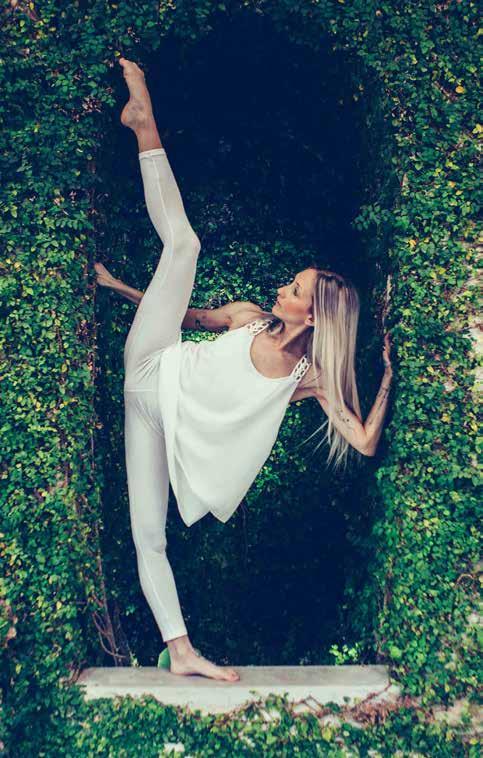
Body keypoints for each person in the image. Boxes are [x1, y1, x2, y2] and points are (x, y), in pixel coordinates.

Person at [95, 57, 393, 682]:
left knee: (150, 536)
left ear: (316, 316)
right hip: (150, 362)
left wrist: (388, 375)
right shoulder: (247, 317)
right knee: (185, 245)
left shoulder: (306, 378)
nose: (283, 288)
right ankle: (143, 121)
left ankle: (181, 652)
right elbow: (182, 314)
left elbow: (364, 440)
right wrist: (121, 288)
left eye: (296, 289)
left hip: (154, 421)